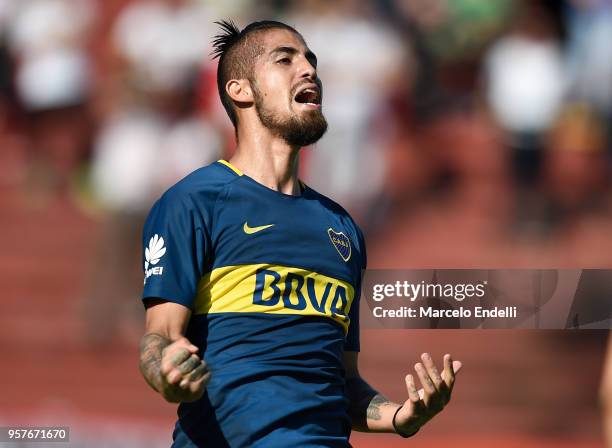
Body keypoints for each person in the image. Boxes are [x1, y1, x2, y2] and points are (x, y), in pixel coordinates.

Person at [138, 20, 462, 447]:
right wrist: (168, 372)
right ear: (241, 90)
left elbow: (343, 382)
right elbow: (159, 338)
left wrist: (400, 416)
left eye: (311, 60)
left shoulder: (342, 228)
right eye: (285, 59)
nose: (308, 69)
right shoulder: (195, 201)